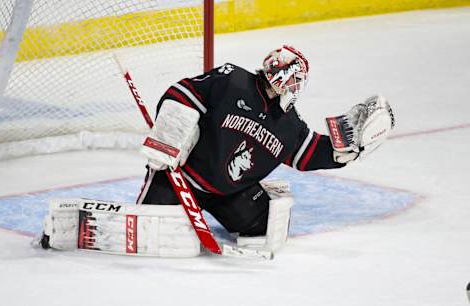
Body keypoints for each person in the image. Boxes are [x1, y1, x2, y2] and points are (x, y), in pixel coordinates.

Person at [137, 45, 393, 252]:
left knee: (265, 229)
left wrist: (343, 153)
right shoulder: (232, 80)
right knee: (146, 232)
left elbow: (307, 153)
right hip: (182, 179)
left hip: (231, 193)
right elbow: (183, 93)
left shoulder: (288, 124)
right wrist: (169, 134)